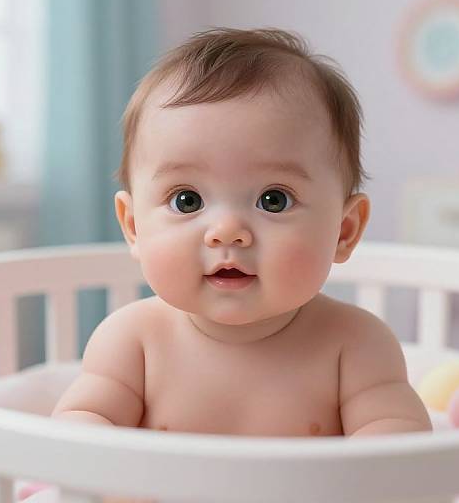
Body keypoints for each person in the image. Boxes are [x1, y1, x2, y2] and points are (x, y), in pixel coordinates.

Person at [29, 27, 432, 503]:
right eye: (186, 199)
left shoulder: (356, 346)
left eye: (273, 199)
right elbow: (78, 431)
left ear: (344, 231)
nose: (227, 231)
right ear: (134, 225)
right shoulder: (132, 341)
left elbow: (401, 452)